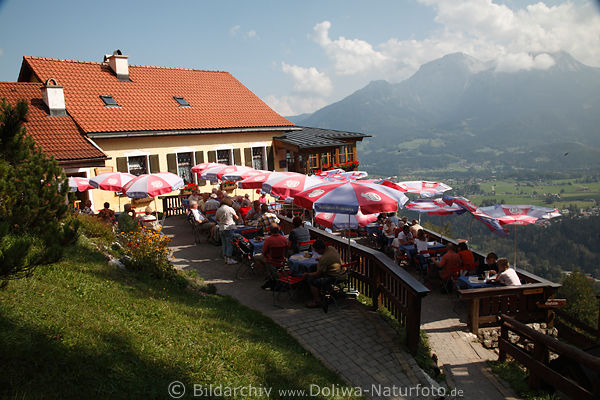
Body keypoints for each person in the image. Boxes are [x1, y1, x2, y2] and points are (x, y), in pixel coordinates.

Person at [303, 239, 346, 309]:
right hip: (342, 273)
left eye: (316, 250)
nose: (316, 252)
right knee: (313, 267)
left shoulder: (324, 259)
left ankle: (317, 301)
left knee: (312, 281)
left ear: (319, 249)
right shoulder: (331, 248)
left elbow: (317, 274)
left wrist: (307, 274)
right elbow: (329, 259)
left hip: (335, 277)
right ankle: (327, 291)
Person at [215, 197, 239, 264]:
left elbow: (216, 219)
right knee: (229, 244)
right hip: (229, 227)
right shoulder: (230, 209)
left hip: (221, 228)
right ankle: (229, 258)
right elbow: (236, 217)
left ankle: (225, 257)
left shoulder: (219, 209)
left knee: (224, 244)